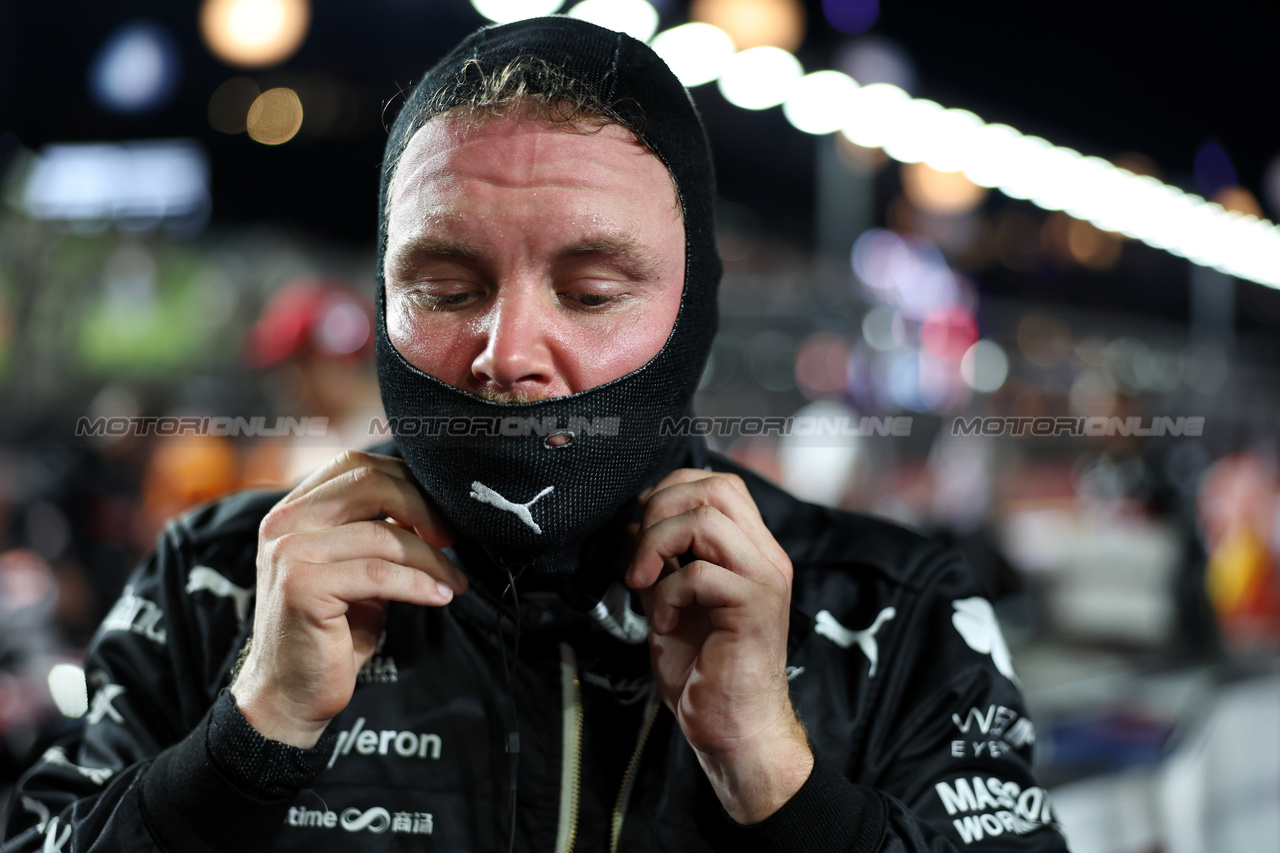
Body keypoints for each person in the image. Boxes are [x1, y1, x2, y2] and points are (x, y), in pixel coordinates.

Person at [3, 17, 1069, 853]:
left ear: (693, 304)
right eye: (444, 285)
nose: (506, 351)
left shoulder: (891, 618)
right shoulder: (213, 586)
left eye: (593, 291)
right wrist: (245, 742)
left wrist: (780, 781)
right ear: (379, 299)